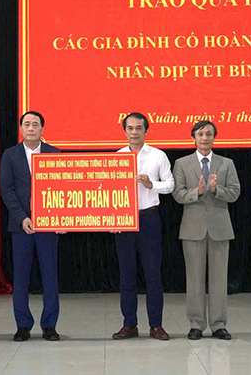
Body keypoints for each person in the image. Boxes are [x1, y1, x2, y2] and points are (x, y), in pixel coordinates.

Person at [172, 121, 240, 341]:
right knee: (194, 279)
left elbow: (235, 193)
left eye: (208, 134)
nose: (204, 138)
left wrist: (216, 190)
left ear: (214, 137)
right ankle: (196, 324)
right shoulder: (181, 163)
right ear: (193, 138)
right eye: (200, 134)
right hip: (193, 228)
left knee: (219, 280)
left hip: (220, 228)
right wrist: (198, 192)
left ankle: (219, 324)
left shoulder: (226, 163)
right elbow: (177, 194)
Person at [111, 112, 174, 341]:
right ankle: (129, 324)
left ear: (146, 130)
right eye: (130, 128)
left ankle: (156, 325)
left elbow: (170, 185)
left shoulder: (158, 155)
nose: (134, 132)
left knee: (152, 273)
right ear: (124, 131)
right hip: (124, 220)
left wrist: (151, 184)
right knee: (126, 274)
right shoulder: (117, 157)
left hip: (149, 218)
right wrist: (112, 218)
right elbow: (109, 191)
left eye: (139, 128)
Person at [0, 111, 61, 342]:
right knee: (21, 277)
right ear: (21, 128)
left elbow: (62, 187)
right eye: (27, 124)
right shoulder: (10, 155)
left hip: (48, 225)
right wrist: (21, 217)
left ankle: (49, 326)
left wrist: (61, 218)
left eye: (36, 124)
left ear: (42, 129)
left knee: (50, 276)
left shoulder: (54, 153)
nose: (31, 128)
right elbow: (6, 189)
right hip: (21, 226)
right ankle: (23, 325)